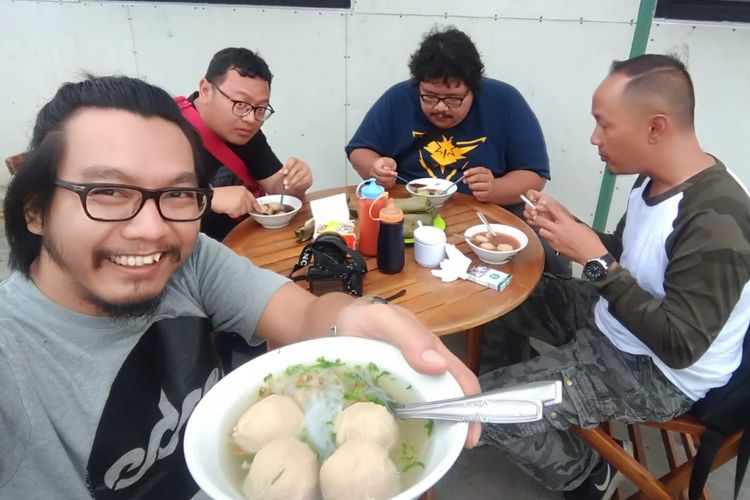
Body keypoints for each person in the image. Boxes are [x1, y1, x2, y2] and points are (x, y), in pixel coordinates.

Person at [0, 75, 479, 498]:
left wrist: (358, 316)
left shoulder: (188, 262)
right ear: (35, 209)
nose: (151, 228)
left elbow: (305, 315)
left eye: (178, 194)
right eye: (107, 192)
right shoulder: (13, 359)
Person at [478, 54, 750, 499]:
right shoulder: (654, 178)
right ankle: (520, 404)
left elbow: (680, 345)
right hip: (617, 323)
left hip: (655, 372)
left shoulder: (716, 219)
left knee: (478, 410)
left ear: (655, 127)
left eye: (605, 125)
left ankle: (586, 474)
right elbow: (631, 253)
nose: (593, 138)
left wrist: (597, 262)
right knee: (501, 292)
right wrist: (575, 230)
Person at [346, 26, 569, 274]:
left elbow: (534, 174)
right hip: (408, 211)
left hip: (486, 213)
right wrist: (374, 168)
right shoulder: (398, 98)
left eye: (453, 99)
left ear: (474, 88)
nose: (440, 108)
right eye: (429, 97)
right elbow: (359, 150)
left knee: (549, 258)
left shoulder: (505, 102)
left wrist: (496, 189)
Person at [176, 47, 313, 241]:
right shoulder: (170, 131)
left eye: (261, 109)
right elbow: (140, 201)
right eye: (240, 104)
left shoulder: (245, 130)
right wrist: (208, 197)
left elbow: (275, 186)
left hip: (243, 244)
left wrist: (296, 184)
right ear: (205, 90)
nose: (251, 119)